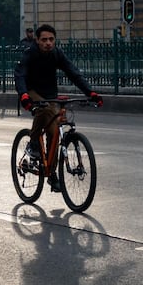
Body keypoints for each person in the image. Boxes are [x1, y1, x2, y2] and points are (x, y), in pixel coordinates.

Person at [14, 24, 103, 191]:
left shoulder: (56, 54)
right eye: (44, 40)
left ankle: (51, 174)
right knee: (43, 109)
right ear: (37, 41)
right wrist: (24, 95)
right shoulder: (30, 54)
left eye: (51, 39)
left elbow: (73, 73)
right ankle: (33, 143)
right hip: (31, 90)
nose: (48, 43)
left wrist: (90, 92)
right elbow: (20, 75)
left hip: (50, 94)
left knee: (54, 132)